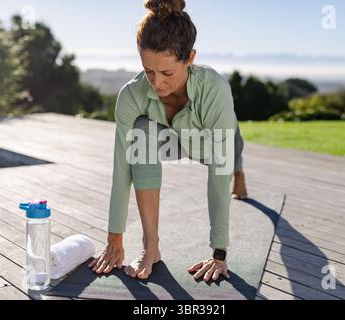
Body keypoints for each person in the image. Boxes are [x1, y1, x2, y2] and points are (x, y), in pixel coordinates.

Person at [89, 0, 248, 283]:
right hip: (173, 139)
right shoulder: (132, 95)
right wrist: (115, 237)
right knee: (142, 131)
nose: (157, 83)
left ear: (190, 58)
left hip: (215, 142)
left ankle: (242, 173)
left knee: (231, 161)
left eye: (167, 73)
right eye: (149, 71)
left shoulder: (215, 89)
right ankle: (151, 248)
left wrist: (219, 254)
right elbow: (122, 166)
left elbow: (217, 170)